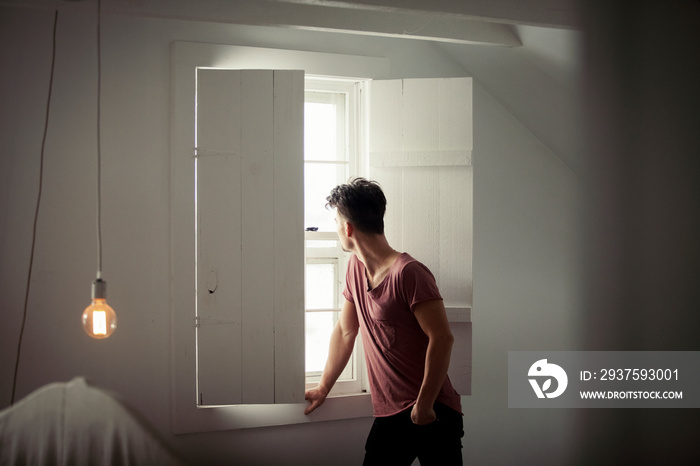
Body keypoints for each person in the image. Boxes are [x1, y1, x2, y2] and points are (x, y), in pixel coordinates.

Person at [305, 178, 464, 465]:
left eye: (337, 221)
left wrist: (424, 405)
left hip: (432, 411)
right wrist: (323, 387)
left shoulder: (409, 273)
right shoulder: (355, 267)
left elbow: (442, 338)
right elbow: (345, 331)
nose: (337, 228)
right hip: (389, 415)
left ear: (348, 228)